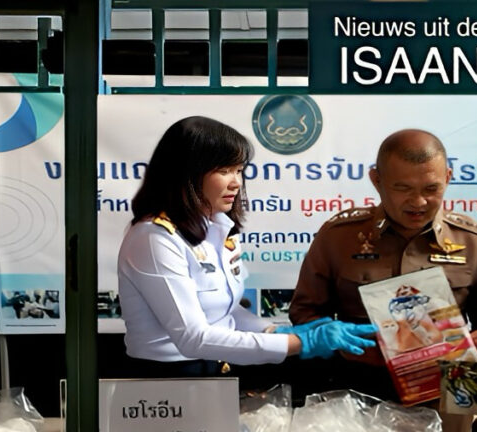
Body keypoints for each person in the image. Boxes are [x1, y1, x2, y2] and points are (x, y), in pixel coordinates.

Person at [115, 116, 377, 378]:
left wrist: (273, 331)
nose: (237, 182)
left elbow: (225, 313)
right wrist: (301, 343)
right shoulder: (154, 238)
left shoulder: (217, 228)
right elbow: (193, 337)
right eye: (224, 170)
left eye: (239, 170)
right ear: (187, 173)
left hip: (217, 370)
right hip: (165, 382)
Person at [289, 128, 477, 399]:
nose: (418, 202)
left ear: (448, 178)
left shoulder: (472, 240)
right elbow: (305, 312)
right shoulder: (339, 237)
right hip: (358, 389)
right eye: (403, 188)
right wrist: (343, 342)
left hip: (448, 390)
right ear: (377, 180)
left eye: (431, 189)